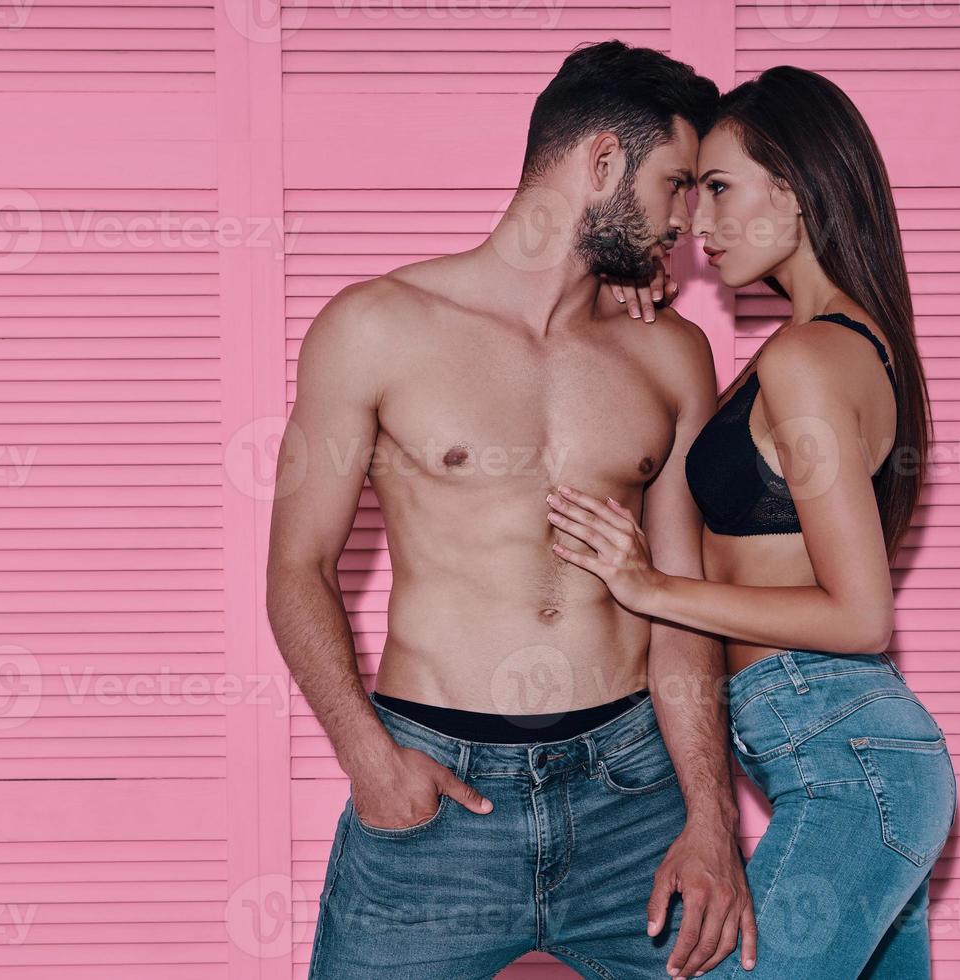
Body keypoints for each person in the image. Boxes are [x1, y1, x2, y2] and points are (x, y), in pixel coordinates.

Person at [266, 41, 759, 979]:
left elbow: (678, 600)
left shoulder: (671, 358)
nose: (687, 226)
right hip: (437, 795)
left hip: (635, 794)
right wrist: (370, 760)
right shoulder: (374, 327)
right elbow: (297, 567)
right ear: (604, 163)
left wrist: (709, 817)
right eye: (677, 185)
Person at [548, 66, 957, 979]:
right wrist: (626, 315)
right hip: (850, 757)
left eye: (721, 188)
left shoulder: (812, 356)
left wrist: (650, 587)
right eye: (691, 195)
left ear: (800, 190)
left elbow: (859, 616)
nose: (699, 223)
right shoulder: (826, 344)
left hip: (844, 760)